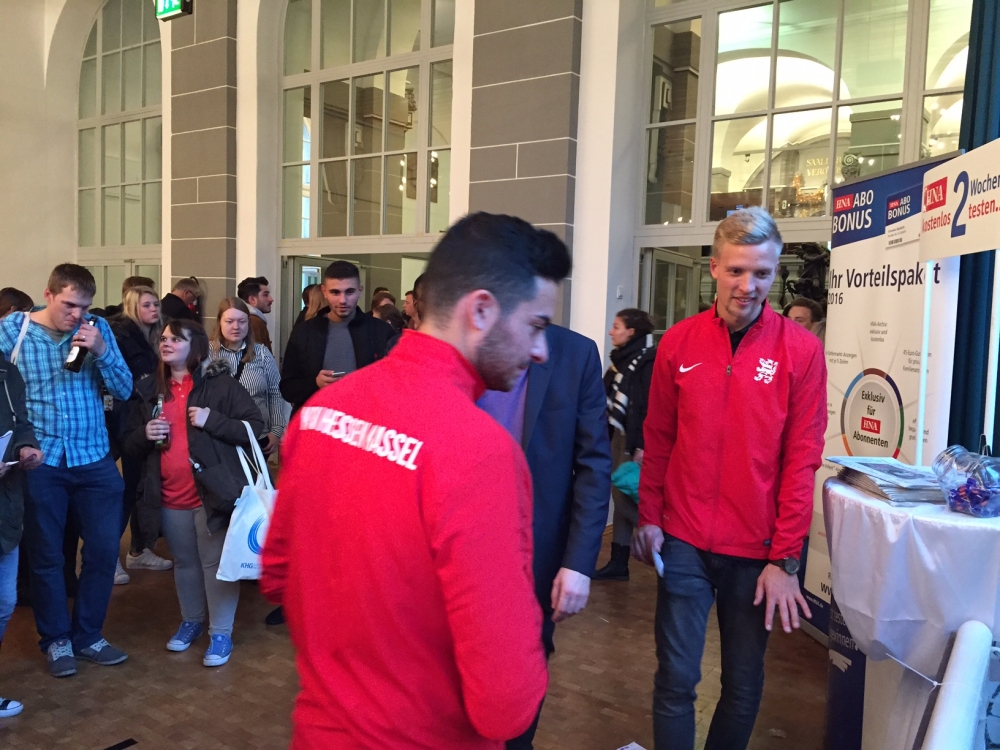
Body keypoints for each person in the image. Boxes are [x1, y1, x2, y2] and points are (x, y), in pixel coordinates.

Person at [261, 212, 567, 747]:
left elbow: (277, 575)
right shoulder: (480, 452)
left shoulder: (321, 411)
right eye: (536, 326)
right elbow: (506, 701)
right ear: (480, 311)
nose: (541, 351)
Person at [633, 207, 826, 750]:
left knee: (742, 683)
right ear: (714, 268)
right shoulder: (678, 343)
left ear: (775, 272)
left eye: (761, 273)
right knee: (675, 678)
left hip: (757, 552)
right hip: (684, 540)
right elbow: (659, 438)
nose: (748, 286)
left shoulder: (801, 351)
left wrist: (785, 559)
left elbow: (802, 459)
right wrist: (649, 517)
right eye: (737, 271)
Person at [478, 303, 613, 749]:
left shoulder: (575, 354)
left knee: (524, 665)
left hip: (534, 550)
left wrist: (579, 563)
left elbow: (593, 466)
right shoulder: (461, 346)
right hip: (458, 544)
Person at [0, 264, 133, 678]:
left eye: (84, 307)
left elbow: (125, 389)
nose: (77, 314)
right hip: (41, 461)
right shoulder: (13, 330)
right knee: (46, 557)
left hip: (93, 457)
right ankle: (57, 639)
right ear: (49, 295)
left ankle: (88, 635)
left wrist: (103, 351)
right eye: (69, 305)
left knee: (103, 551)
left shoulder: (97, 330)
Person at [123, 320, 264, 667]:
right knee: (185, 563)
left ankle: (220, 633)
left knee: (214, 565)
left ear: (196, 346)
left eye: (176, 338)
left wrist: (211, 420)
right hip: (169, 494)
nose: (166, 343)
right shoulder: (148, 389)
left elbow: (254, 427)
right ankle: (191, 621)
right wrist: (144, 434)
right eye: (164, 338)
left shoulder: (220, 385)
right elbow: (129, 444)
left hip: (212, 493)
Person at [108, 286, 173, 582]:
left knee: (142, 487)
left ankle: (139, 549)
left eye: (156, 304)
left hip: (151, 416)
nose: (154, 309)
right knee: (121, 491)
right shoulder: (120, 335)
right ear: (132, 307)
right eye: (146, 305)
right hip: (122, 420)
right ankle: (110, 557)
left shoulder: (159, 335)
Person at [279, 261, 395, 414]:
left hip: (366, 421)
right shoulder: (304, 332)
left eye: (350, 292)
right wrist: (315, 383)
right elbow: (287, 388)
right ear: (324, 291)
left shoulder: (381, 331)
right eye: (335, 292)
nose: (342, 300)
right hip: (317, 421)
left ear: (360, 290)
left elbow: (396, 385)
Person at [593, 308, 657, 582]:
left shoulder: (647, 360)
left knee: (623, 495)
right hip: (617, 435)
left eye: (617, 326)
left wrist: (641, 444)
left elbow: (647, 405)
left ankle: (660, 539)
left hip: (634, 438)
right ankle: (619, 563)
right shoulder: (620, 361)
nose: (611, 331)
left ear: (631, 332)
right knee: (618, 497)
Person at [0, 348, 42, 716]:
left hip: (6, 510)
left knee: (4, 603)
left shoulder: (7, 371)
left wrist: (26, 447)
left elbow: (21, 423)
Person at [208, 298, 286, 458]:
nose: (236, 326)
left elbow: (275, 393)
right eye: (229, 321)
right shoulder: (206, 354)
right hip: (217, 437)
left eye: (242, 321)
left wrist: (276, 430)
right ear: (220, 322)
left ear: (248, 323)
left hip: (256, 437)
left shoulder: (262, 353)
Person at [237, 276, 274, 353]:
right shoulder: (253, 321)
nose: (271, 299)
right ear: (252, 299)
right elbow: (256, 356)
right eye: (265, 295)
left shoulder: (250, 319)